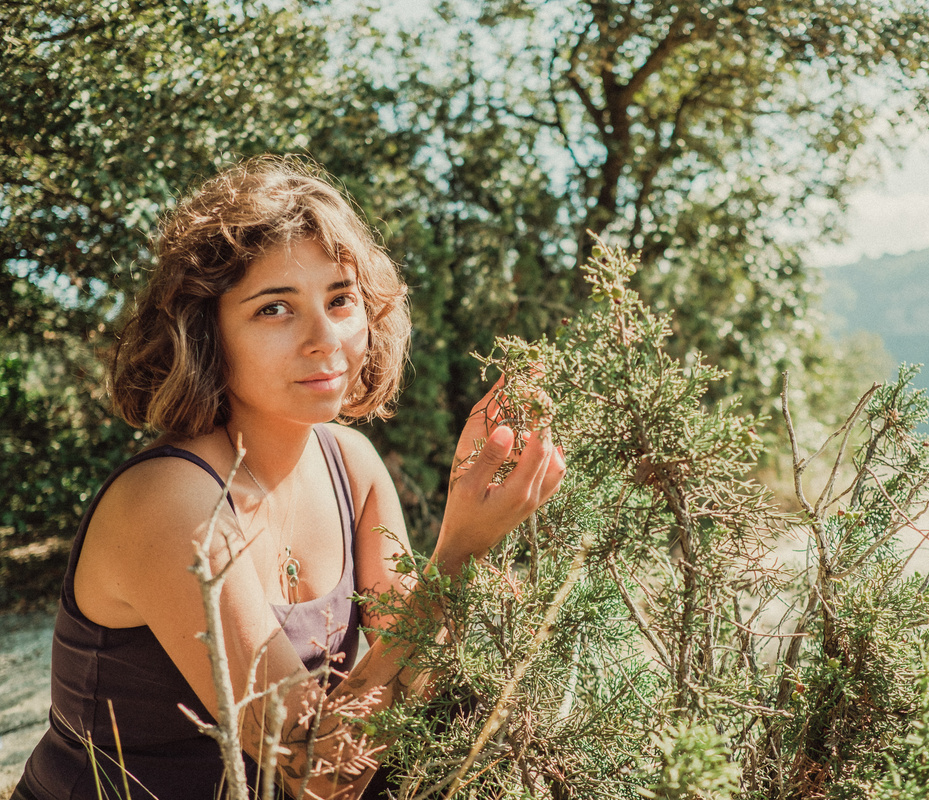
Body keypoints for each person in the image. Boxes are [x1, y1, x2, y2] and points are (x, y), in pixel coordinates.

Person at [14, 156, 565, 800]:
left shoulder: (351, 466)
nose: (324, 337)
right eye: (275, 308)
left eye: (341, 299)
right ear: (206, 333)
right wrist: (462, 552)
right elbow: (319, 770)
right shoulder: (170, 502)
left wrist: (490, 532)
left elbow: (420, 682)